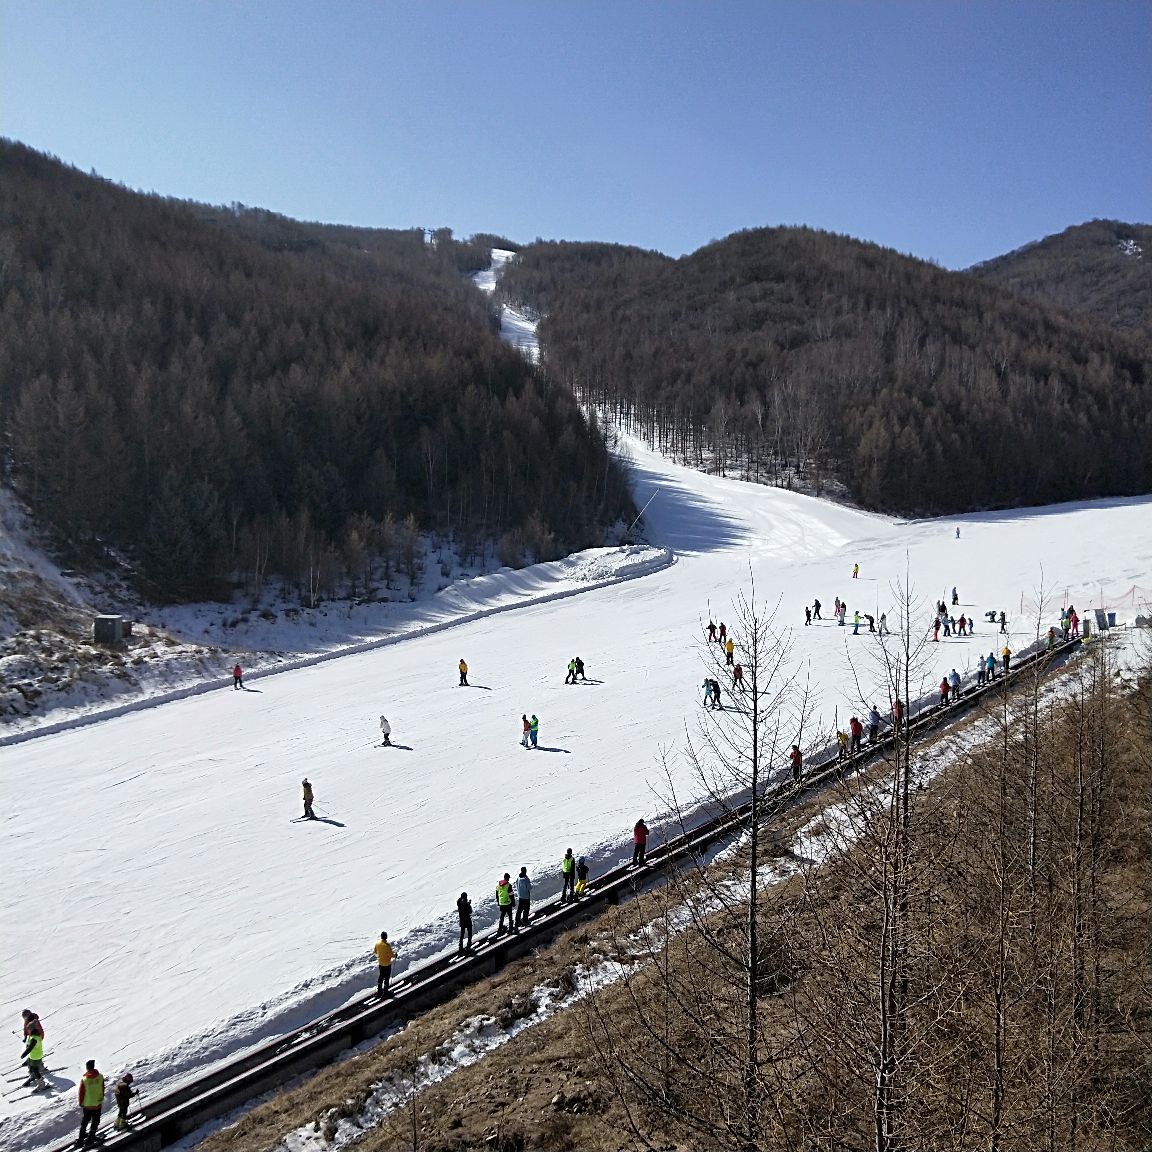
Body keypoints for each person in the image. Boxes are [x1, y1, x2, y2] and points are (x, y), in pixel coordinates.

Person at [78, 1060, 105, 1146]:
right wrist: (101, 1098)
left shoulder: (84, 1079)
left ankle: (81, 1139)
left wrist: (81, 1102)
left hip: (87, 1105)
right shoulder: (100, 1077)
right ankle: (90, 1137)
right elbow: (102, 1088)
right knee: (95, 1121)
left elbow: (81, 1093)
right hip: (97, 1103)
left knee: (85, 1121)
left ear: (87, 1068)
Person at [20, 1010, 46, 1088]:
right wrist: (25, 1037)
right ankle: (33, 1074)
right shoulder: (29, 1024)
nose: (24, 1019)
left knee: (35, 1067)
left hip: (36, 1055)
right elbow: (26, 1029)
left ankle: (40, 1073)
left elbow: (31, 1047)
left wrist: (24, 1054)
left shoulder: (34, 1022)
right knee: (31, 1065)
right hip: (33, 1054)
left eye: (25, 1017)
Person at [373, 931, 394, 995]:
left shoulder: (377, 944)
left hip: (380, 963)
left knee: (381, 976)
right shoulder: (387, 945)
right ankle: (385, 992)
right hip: (387, 964)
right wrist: (395, 955)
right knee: (387, 977)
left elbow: (375, 952)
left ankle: (379, 991)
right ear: (386, 937)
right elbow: (391, 955)